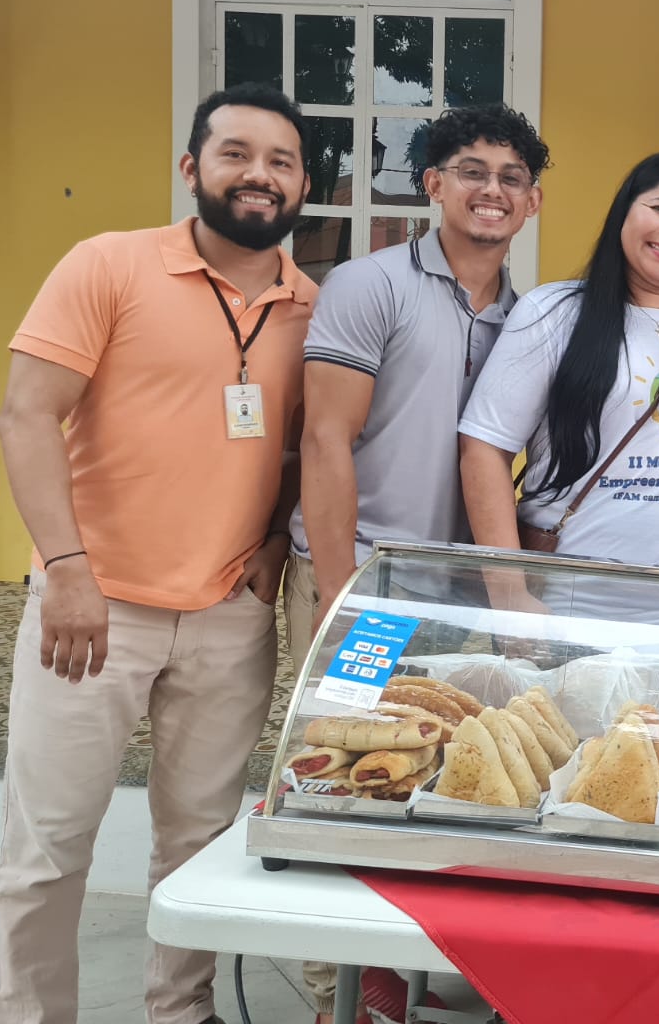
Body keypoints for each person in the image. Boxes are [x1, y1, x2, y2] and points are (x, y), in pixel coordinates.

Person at [0, 84, 316, 1024]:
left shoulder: (312, 306)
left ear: (303, 185)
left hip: (226, 617)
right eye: (236, 153)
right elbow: (26, 416)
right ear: (191, 168)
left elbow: (306, 446)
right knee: (47, 848)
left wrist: (273, 539)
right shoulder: (109, 265)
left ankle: (181, 1010)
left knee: (200, 845)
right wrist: (65, 569)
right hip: (92, 609)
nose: (260, 175)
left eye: (282, 161)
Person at [285, 103, 548, 1024]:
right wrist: (337, 592)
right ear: (433, 184)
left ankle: (412, 965)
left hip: (457, 597)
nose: (492, 190)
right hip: (365, 581)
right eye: (472, 171)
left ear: (533, 203)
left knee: (433, 777)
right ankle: (340, 988)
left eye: (512, 178)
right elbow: (325, 438)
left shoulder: (527, 317)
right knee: (339, 776)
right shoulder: (371, 284)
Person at [459, 152, 659, 574]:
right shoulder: (552, 313)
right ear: (624, 213)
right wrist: (510, 590)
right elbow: (484, 449)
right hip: (565, 596)